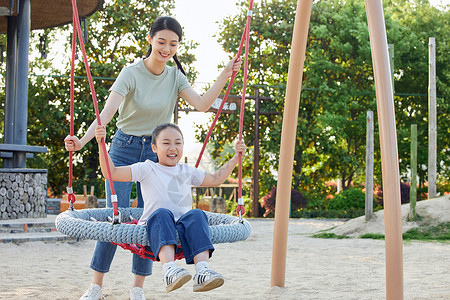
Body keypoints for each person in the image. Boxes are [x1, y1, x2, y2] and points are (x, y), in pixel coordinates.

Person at [64, 16, 242, 300]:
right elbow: (106, 114)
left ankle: (137, 288)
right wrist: (82, 141)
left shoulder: (174, 76)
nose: (167, 48)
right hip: (123, 146)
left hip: (158, 151)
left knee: (154, 219)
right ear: (150, 40)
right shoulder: (131, 73)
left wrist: (224, 74)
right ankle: (96, 284)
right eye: (161, 42)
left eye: (173, 44)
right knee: (117, 216)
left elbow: (202, 104)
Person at [94, 122, 247, 294]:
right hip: (155, 236)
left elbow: (214, 180)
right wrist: (101, 144)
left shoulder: (187, 171)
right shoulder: (147, 168)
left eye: (178, 143)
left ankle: (202, 271)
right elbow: (111, 173)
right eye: (166, 143)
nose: (173, 148)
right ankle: (169, 271)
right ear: (154, 147)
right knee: (161, 214)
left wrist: (236, 158)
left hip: (182, 238)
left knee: (196, 214)